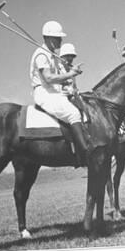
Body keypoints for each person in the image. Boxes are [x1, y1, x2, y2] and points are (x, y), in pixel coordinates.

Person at [30, 21, 90, 167]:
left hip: (53, 92)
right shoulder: (41, 55)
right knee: (73, 114)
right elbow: (49, 78)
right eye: (58, 38)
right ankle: (86, 154)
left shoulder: (51, 55)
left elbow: (60, 77)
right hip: (44, 93)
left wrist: (70, 72)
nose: (60, 41)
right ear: (50, 38)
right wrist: (70, 74)